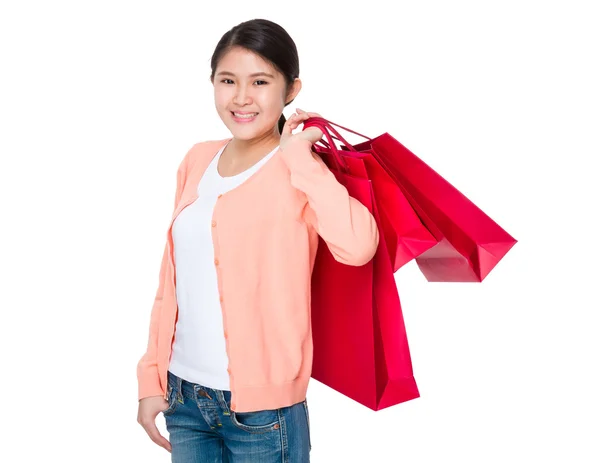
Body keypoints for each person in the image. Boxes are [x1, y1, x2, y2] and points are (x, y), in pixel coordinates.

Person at [136, 18, 379, 462]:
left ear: (291, 90)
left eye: (260, 81)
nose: (242, 97)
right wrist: (151, 378)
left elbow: (358, 245)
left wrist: (299, 159)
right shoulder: (198, 158)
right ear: (212, 83)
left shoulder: (300, 168)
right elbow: (171, 282)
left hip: (264, 413)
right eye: (228, 80)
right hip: (184, 399)